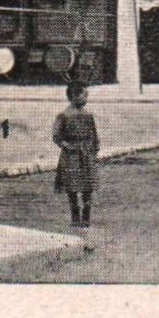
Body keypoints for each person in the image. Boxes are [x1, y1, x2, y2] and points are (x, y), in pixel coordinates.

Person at [53, 81, 100, 227]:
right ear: (73, 96)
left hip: (86, 153)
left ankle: (86, 214)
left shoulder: (88, 115)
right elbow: (57, 136)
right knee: (72, 185)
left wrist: (95, 148)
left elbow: (94, 133)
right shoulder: (63, 115)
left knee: (87, 185)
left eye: (87, 95)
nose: (86, 98)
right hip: (71, 155)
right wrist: (67, 146)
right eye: (83, 95)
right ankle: (75, 213)